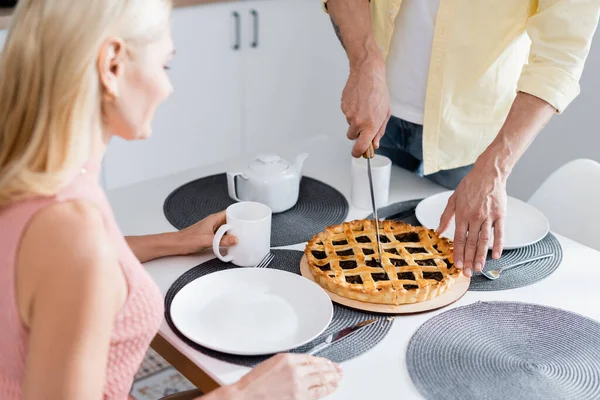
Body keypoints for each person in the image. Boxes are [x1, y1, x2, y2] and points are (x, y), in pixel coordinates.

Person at [0, 0, 343, 399]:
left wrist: (179, 241)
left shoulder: (39, 184)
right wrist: (244, 395)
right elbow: (79, 262)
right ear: (112, 65)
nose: (168, 88)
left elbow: (75, 270)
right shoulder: (72, 236)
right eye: (165, 66)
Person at [325, 0, 600, 277]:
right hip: (378, 109)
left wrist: (495, 169)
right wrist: (364, 63)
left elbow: (561, 57)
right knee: (359, 228)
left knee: (458, 271)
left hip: (474, 139)